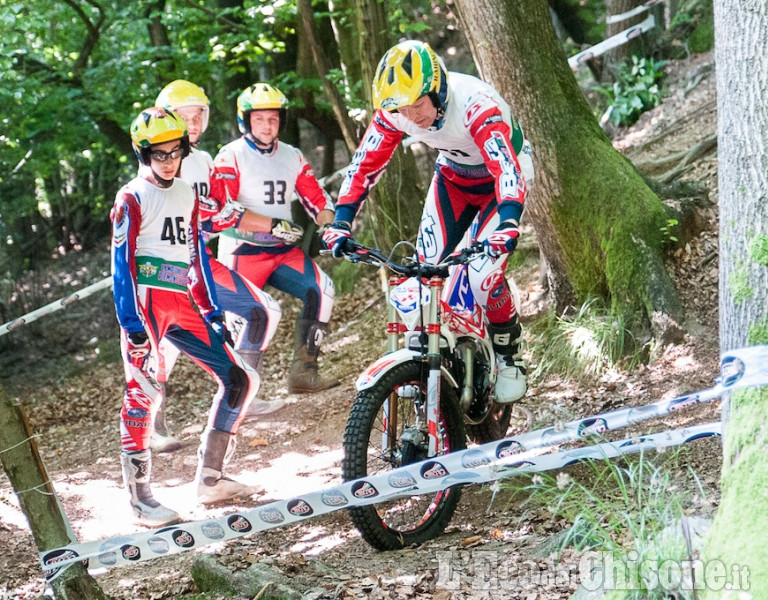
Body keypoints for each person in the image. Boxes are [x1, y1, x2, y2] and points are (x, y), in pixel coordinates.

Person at [323, 40, 535, 404]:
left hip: (503, 181)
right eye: (403, 108)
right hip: (453, 178)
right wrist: (341, 220)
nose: (413, 116)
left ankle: (508, 356)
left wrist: (509, 222)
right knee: (421, 275)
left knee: (483, 277)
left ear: (437, 89)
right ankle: (427, 360)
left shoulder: (475, 104)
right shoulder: (396, 113)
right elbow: (364, 164)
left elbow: (505, 167)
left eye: (419, 104)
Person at [111, 107, 261, 527]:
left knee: (242, 378)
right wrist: (132, 323)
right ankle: (140, 499)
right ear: (143, 154)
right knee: (143, 391)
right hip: (146, 301)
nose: (169, 160)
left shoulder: (188, 193)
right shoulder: (131, 197)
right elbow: (121, 265)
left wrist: (211, 310)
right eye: (159, 154)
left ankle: (211, 478)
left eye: (176, 151)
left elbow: (195, 255)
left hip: (183, 299)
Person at [150, 80, 285, 454]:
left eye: (199, 116)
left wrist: (268, 224)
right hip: (162, 269)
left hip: (201, 260)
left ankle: (245, 391)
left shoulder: (205, 161)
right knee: (162, 348)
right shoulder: (156, 161)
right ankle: (152, 427)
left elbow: (216, 217)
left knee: (263, 310)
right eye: (185, 117)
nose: (193, 124)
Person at [209, 83, 338, 394]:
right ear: (245, 121)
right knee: (246, 322)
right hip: (241, 250)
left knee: (323, 289)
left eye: (273, 119)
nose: (267, 126)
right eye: (260, 120)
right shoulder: (231, 156)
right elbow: (222, 209)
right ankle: (241, 395)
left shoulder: (292, 155)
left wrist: (329, 227)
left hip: (281, 251)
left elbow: (317, 199)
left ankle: (304, 372)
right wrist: (270, 224)